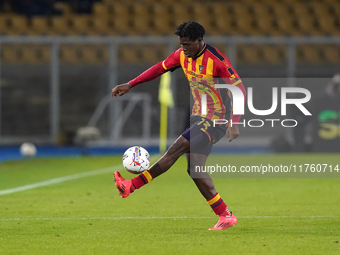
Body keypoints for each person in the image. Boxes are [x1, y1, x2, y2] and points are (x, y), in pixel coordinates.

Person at [111, 21, 246, 230]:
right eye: (181, 44)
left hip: (215, 120)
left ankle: (131, 186)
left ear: (199, 41)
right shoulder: (181, 55)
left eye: (187, 44)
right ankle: (226, 215)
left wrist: (234, 122)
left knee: (174, 149)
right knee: (195, 169)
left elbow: (240, 90)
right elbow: (158, 68)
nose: (183, 48)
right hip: (197, 117)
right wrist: (131, 84)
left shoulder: (217, 61)